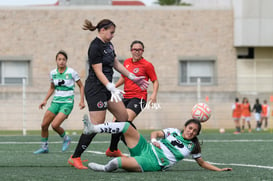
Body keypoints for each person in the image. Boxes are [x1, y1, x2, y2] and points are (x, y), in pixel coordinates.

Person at [68, 19, 149, 169]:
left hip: (107, 88)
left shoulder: (109, 45)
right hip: (95, 89)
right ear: (103, 30)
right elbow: (98, 71)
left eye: (113, 33)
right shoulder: (95, 46)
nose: (112, 36)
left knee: (123, 117)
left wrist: (133, 77)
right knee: (96, 124)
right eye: (111, 32)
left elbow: (116, 64)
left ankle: (112, 149)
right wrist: (110, 86)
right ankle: (75, 157)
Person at [82, 115, 232, 172]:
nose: (191, 132)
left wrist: (219, 170)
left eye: (194, 131)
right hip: (147, 147)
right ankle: (93, 128)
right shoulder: (173, 131)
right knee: (126, 125)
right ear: (185, 127)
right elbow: (156, 133)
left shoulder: (192, 146)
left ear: (196, 134)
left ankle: (104, 169)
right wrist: (154, 141)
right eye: (190, 128)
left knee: (116, 162)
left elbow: (202, 163)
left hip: (153, 162)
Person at [106, 40, 159, 157]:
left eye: (139, 50)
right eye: (135, 49)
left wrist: (154, 94)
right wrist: (112, 87)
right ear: (131, 50)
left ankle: (114, 149)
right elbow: (124, 78)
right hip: (125, 97)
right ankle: (122, 149)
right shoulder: (126, 62)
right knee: (117, 124)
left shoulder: (147, 65)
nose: (137, 52)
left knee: (123, 122)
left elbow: (155, 81)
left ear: (142, 51)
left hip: (139, 98)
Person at [34, 50, 85, 154]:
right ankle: (44, 147)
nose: (61, 61)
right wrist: (45, 100)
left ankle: (66, 138)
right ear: (56, 61)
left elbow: (81, 86)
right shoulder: (53, 73)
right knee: (44, 125)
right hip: (56, 102)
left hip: (67, 102)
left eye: (63, 59)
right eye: (59, 59)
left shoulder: (71, 72)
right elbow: (52, 88)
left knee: (55, 125)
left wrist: (82, 101)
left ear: (66, 61)